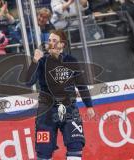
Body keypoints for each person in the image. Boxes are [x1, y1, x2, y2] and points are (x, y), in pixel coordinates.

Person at [26, 30, 95, 160]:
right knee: (43, 151)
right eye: (49, 40)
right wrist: (35, 60)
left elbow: (81, 85)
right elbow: (28, 82)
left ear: (62, 44)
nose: (50, 43)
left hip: (69, 109)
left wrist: (89, 106)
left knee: (75, 145)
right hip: (46, 111)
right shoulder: (41, 61)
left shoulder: (71, 60)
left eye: (54, 40)